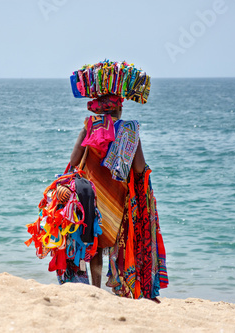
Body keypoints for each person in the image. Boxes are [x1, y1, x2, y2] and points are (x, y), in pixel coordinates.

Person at [69, 93, 168, 301]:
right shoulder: (129, 130)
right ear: (119, 109)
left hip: (91, 196)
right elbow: (140, 168)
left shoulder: (89, 125)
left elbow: (75, 159)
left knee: (95, 241)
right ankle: (121, 289)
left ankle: (96, 288)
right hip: (119, 196)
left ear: (98, 109)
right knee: (119, 244)